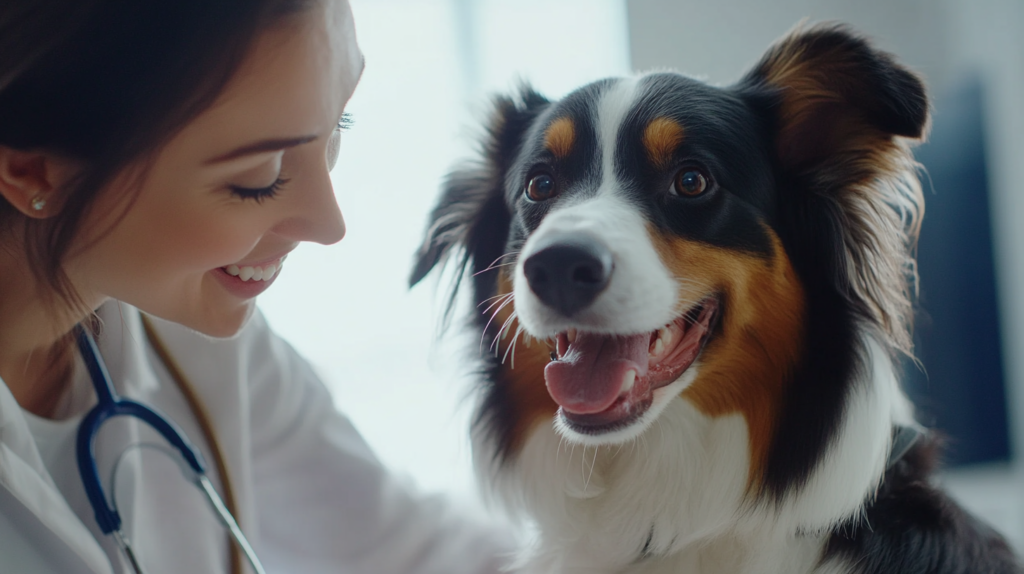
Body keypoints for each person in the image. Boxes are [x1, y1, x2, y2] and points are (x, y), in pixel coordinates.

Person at [0, 0, 513, 572]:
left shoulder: (192, 337)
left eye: (337, 123)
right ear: (33, 169)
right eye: (256, 180)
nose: (329, 225)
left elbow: (412, 551)